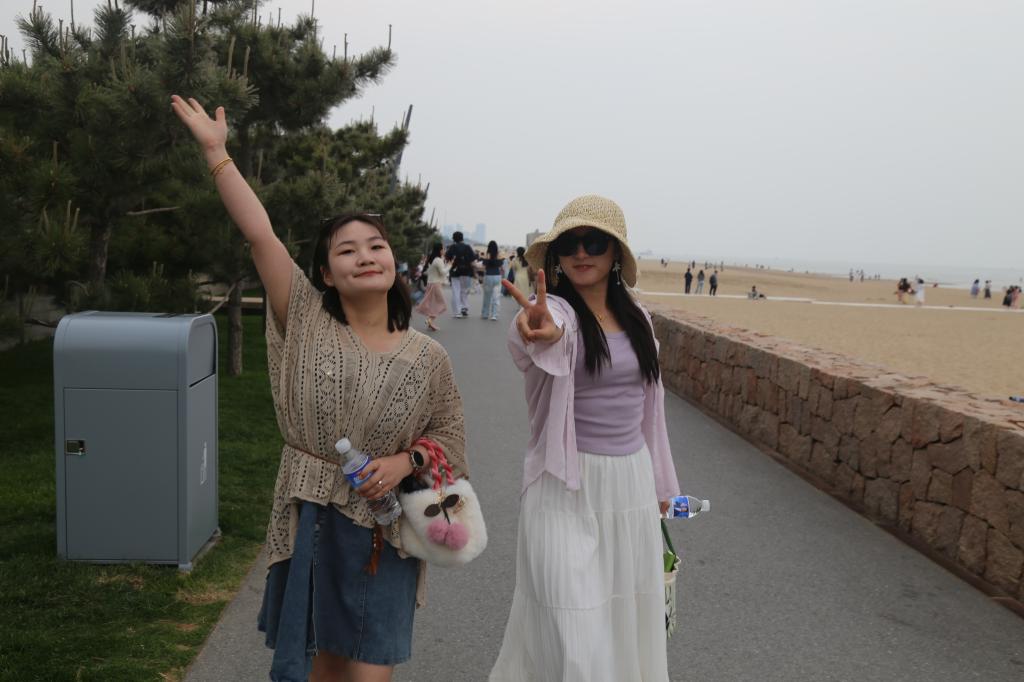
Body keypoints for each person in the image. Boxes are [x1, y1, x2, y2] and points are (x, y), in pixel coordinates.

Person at [170, 95, 468, 682]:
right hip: (312, 519)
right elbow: (260, 235)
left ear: (394, 261)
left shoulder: (428, 357)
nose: (366, 257)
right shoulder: (305, 317)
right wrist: (217, 155)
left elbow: (451, 439)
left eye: (376, 246)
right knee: (320, 669)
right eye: (347, 250)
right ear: (326, 273)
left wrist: (403, 460)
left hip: (386, 529)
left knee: (369, 672)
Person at [491, 195, 680, 682]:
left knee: (621, 620)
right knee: (570, 628)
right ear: (555, 257)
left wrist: (662, 487)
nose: (581, 252)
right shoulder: (557, 312)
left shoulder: (638, 320)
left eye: (594, 241)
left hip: (630, 486)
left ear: (615, 252)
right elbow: (543, 336)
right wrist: (539, 330)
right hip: (565, 485)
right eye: (569, 244)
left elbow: (651, 412)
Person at [415, 242, 449, 331]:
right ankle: (429, 320)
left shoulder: (433, 259)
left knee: (434, 304)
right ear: (440, 250)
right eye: (443, 248)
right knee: (441, 304)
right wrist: (450, 266)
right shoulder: (438, 260)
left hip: (431, 283)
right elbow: (442, 272)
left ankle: (430, 322)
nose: (444, 250)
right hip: (435, 284)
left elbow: (428, 272)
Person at [445, 231, 476, 318]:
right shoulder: (467, 247)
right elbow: (473, 259)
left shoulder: (452, 247)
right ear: (462, 238)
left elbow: (447, 258)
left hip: (455, 272)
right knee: (464, 290)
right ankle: (464, 307)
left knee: (456, 291)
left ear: (454, 239)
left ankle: (457, 312)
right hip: (466, 272)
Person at [480, 240, 506, 320]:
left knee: (487, 296)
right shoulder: (499, 256)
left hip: (488, 276)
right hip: (497, 276)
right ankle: (494, 315)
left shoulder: (487, 256)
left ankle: (485, 314)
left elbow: (483, 267)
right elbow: (502, 269)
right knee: (496, 296)